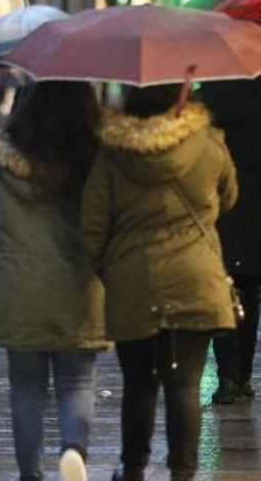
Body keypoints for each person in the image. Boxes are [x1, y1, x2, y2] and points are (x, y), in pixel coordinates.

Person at [81, 85, 239, 481]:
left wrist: (110, 270)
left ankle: (132, 468)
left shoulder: (113, 151)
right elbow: (230, 196)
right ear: (180, 97)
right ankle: (182, 474)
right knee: (185, 383)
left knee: (139, 383)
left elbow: (92, 224)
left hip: (134, 280)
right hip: (195, 277)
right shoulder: (208, 142)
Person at [0, 82, 109, 481]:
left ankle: (31, 473)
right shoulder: (96, 159)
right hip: (80, 287)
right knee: (77, 380)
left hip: (18, 288)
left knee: (26, 390)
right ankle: (73, 450)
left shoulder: (5, 163)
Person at [199, 80, 261, 404]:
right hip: (257, 201)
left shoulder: (210, 93)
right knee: (250, 289)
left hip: (221, 197)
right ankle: (243, 375)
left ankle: (226, 376)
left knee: (222, 286)